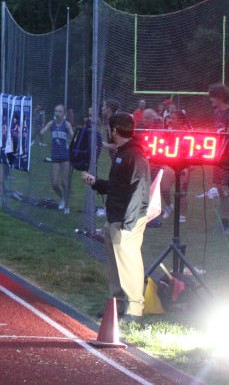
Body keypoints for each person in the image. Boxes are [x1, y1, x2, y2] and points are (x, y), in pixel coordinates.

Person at [80, 112, 150, 320]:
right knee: (116, 264)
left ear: (114, 130)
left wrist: (128, 224)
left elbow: (138, 189)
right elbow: (118, 186)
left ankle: (134, 310)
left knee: (128, 263)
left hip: (126, 219)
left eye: (109, 128)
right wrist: (96, 183)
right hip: (116, 217)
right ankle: (117, 306)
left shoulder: (134, 154)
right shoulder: (124, 152)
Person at [208, 83, 229, 233]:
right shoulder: (216, 112)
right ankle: (224, 222)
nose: (211, 99)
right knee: (220, 189)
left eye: (213, 96)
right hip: (218, 155)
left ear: (220, 97)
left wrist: (220, 152)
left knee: (226, 188)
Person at [41, 104, 74, 214]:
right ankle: (63, 198)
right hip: (55, 156)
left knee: (65, 182)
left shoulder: (67, 124)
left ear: (64, 113)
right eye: (56, 111)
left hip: (65, 157)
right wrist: (39, 129)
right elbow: (42, 132)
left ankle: (67, 206)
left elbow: (73, 137)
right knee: (54, 183)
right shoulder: (51, 123)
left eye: (60, 111)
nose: (57, 113)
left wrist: (73, 141)